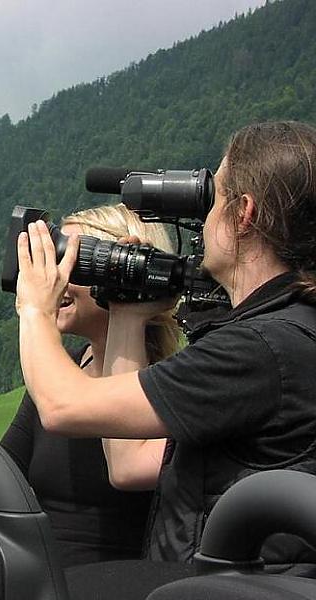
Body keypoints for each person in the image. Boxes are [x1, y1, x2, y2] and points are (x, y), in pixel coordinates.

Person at [16, 121, 316, 567]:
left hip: (229, 587)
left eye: (214, 200)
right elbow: (127, 464)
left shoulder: (258, 348)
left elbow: (62, 407)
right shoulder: (284, 332)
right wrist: (128, 313)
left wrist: (34, 308)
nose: (205, 220)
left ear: (243, 214)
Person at [0, 203, 180, 567]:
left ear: (119, 267)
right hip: (42, 581)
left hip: (124, 582)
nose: (54, 277)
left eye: (72, 262)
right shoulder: (63, 372)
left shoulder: (170, 383)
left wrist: (36, 312)